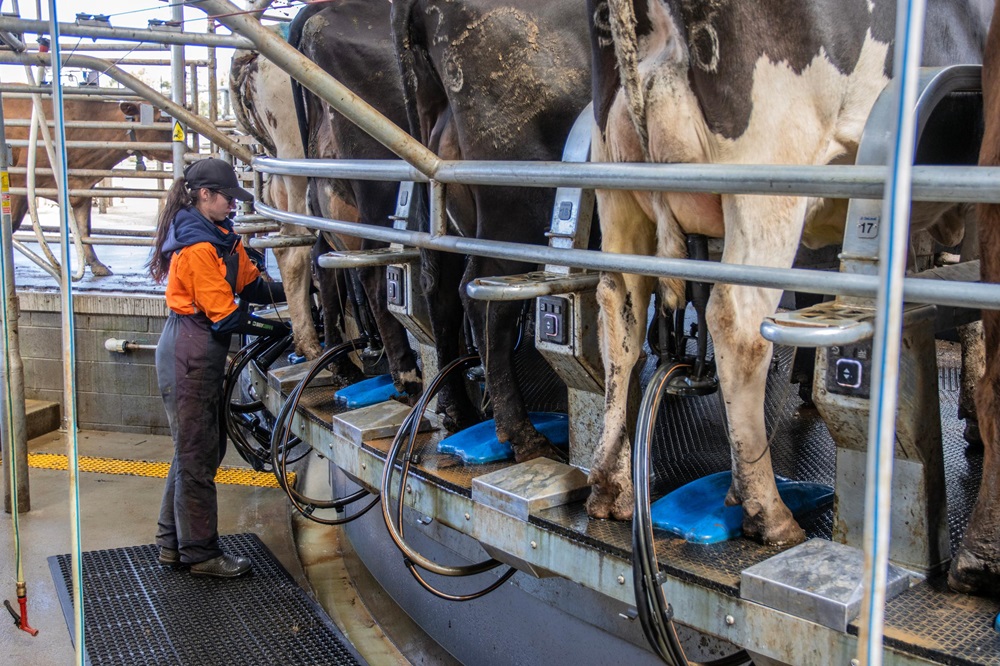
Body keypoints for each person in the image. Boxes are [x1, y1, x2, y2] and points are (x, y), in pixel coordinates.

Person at [147, 158, 288, 578]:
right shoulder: (196, 247)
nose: (233, 205)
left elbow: (253, 286)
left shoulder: (223, 237)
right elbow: (227, 316)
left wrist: (306, 285)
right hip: (187, 349)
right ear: (204, 195)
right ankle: (201, 554)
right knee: (196, 452)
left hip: (202, 350)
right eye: (227, 198)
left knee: (198, 449)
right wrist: (280, 327)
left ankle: (171, 543)